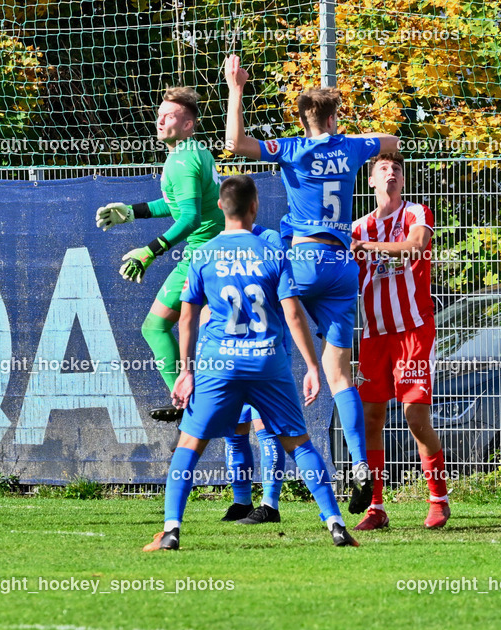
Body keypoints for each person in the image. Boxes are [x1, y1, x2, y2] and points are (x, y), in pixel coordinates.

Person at [223, 55, 399, 514]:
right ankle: (360, 466)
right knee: (343, 376)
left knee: (272, 345)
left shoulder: (293, 149)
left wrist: (236, 86)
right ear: (335, 115)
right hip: (342, 264)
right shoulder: (353, 147)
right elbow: (393, 140)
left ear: (302, 119)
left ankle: (271, 481)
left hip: (303, 258)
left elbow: (234, 143)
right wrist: (354, 140)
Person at [143, 175, 357, 550]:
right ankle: (336, 524)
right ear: (255, 207)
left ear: (221, 207)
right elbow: (292, 314)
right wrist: (310, 365)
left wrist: (186, 371)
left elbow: (188, 319)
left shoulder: (202, 253)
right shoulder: (271, 248)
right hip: (267, 364)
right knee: (300, 444)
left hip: (219, 365)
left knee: (189, 446)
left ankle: (172, 530)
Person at [95, 87, 224, 424]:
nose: (160, 119)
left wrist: (149, 252)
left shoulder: (182, 160)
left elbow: (190, 218)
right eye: (160, 113)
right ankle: (199, 405)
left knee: (154, 328)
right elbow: (182, 205)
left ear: (189, 125)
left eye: (170, 116)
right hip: (213, 250)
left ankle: (188, 408)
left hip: (202, 255)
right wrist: (132, 212)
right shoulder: (192, 153)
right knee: (197, 330)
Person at [349, 152, 450, 530]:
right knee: (371, 417)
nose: (390, 173)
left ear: (403, 181)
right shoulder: (358, 227)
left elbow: (416, 246)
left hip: (413, 330)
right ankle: (376, 507)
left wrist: (372, 249)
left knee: (413, 416)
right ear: (372, 181)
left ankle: (438, 499)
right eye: (382, 169)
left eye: (396, 169)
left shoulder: (415, 213)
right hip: (375, 335)